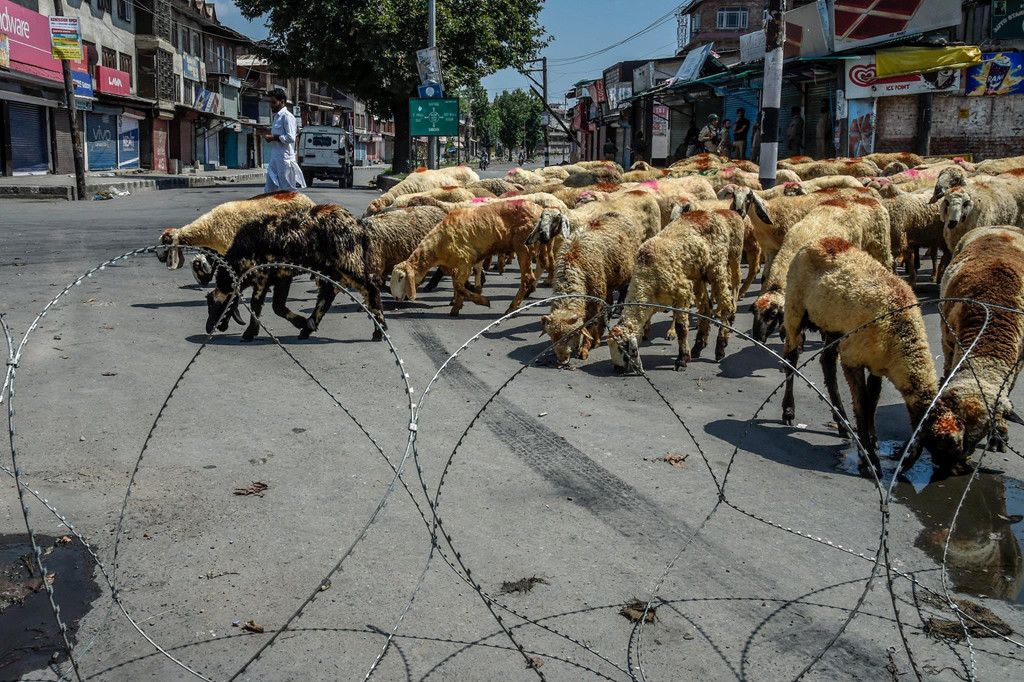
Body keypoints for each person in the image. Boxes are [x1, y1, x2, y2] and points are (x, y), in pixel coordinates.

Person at [264, 88, 305, 193]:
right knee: (269, 191)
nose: (271, 105)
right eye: (270, 102)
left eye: (274, 102)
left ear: (282, 102)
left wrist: (274, 138)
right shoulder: (276, 117)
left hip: (285, 160)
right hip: (275, 158)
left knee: (288, 191)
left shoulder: (287, 117)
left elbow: (291, 137)